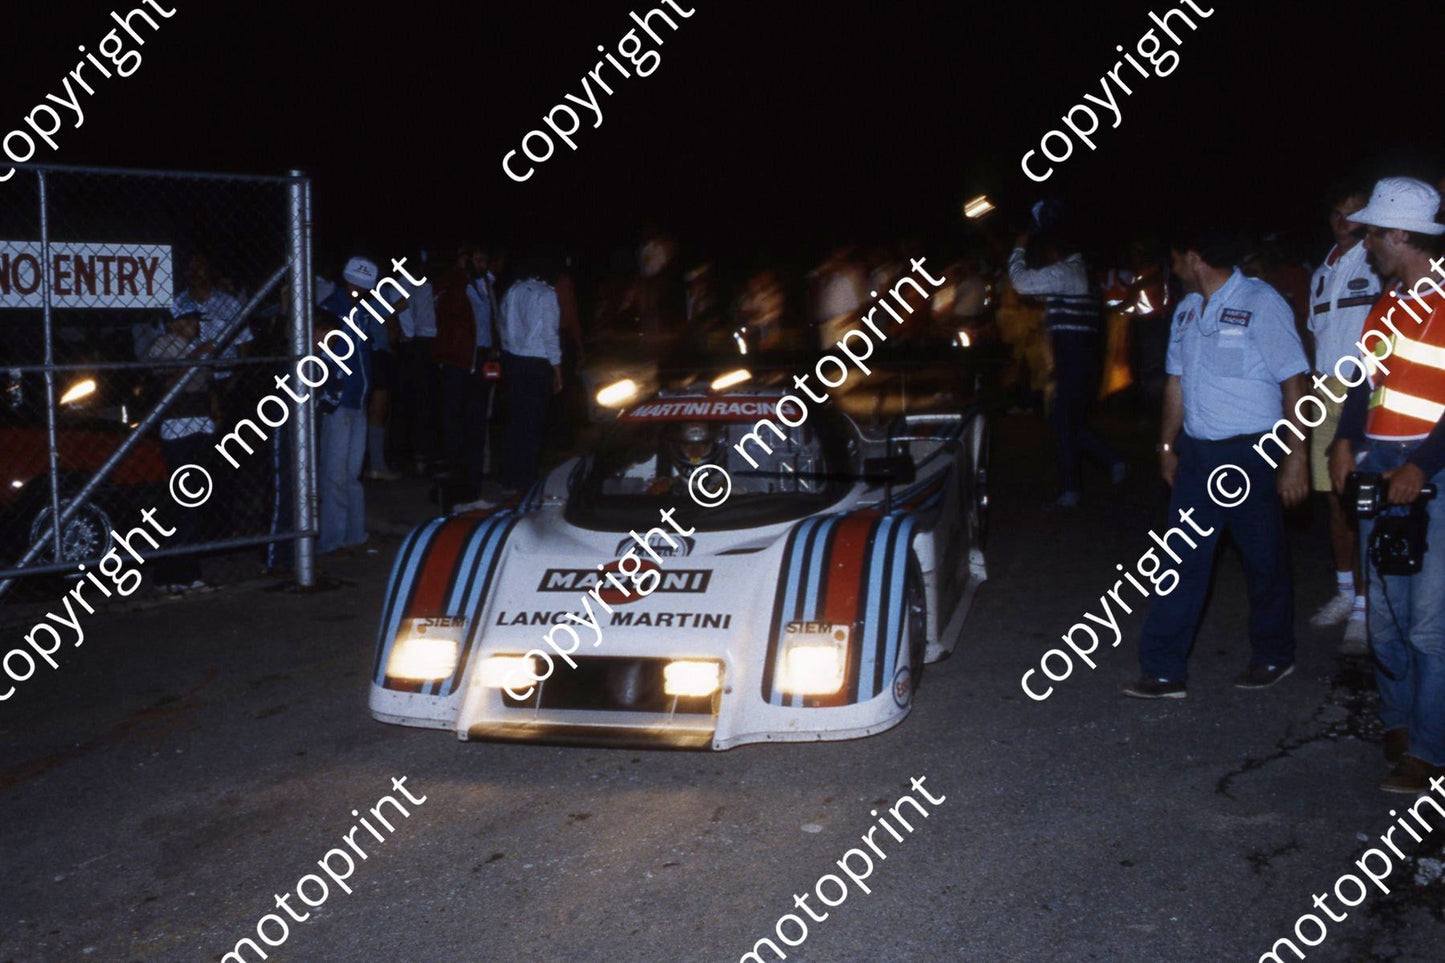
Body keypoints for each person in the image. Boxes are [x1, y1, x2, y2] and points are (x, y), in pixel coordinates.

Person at [1125, 230, 1311, 699]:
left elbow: (1295, 383)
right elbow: (1176, 382)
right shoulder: (1187, 310)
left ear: (1194, 257)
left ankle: (1274, 654)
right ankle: (1164, 670)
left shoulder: (1261, 302)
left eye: (1175, 260)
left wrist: (1295, 457)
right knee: (1180, 562)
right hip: (1198, 454)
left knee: (1263, 558)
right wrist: (1167, 446)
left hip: (1252, 452)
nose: (1172, 269)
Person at [1328, 176, 1445, 793]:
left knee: (1429, 622)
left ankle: (1430, 749)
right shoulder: (1387, 303)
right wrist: (1346, 440)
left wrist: (1421, 465)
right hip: (1380, 466)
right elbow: (1361, 381)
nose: (1364, 241)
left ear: (1400, 234)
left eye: (1372, 231)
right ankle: (1400, 724)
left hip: (1433, 473)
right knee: (1387, 620)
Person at [1306, 182, 1380, 652]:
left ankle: (1366, 608)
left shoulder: (1376, 263)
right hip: (1323, 392)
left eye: (1352, 213)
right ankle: (1345, 591)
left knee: (1364, 499)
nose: (1342, 221)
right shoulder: (1320, 273)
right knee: (1333, 499)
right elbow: (1316, 336)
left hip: (1365, 393)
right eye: (1336, 212)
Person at [1008, 227, 1125, 507]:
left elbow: (1022, 283)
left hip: (1076, 357)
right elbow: (1037, 295)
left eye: (1045, 254)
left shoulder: (1068, 273)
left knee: (1063, 421)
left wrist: (1018, 248)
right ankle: (1106, 465)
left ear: (1055, 252)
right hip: (1078, 357)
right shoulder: (1074, 274)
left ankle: (1075, 485)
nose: (1044, 260)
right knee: (1068, 422)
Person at [145, 305, 215, 593]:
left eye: (197, 321)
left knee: (193, 500)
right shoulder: (164, 345)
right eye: (189, 321)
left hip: (198, 422)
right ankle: (180, 574)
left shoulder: (191, 345)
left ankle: (179, 572)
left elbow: (207, 384)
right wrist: (197, 356)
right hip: (178, 425)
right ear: (174, 324)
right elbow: (167, 378)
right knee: (183, 502)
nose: (196, 326)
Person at [315, 258, 375, 555]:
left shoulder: (360, 311)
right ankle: (333, 539)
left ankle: (354, 534)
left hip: (358, 400)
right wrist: (331, 394)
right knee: (335, 475)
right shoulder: (331, 309)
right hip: (340, 401)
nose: (360, 292)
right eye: (356, 286)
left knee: (350, 475)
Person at [432, 244, 497, 496]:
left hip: (481, 359)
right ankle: (453, 475)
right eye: (476, 259)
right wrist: (460, 272)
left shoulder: (486, 285)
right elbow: (444, 305)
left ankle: (473, 477)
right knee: (454, 420)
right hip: (457, 360)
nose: (481, 264)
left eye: (484, 260)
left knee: (477, 421)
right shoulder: (453, 285)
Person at [498, 257, 562, 494]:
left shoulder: (513, 290)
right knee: (533, 423)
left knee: (516, 420)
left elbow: (503, 323)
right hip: (536, 363)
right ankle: (525, 479)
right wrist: (557, 368)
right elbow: (550, 334)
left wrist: (508, 352)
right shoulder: (546, 294)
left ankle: (510, 477)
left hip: (515, 360)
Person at [395, 253, 438, 475]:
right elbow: (401, 307)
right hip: (416, 343)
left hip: (426, 341)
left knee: (425, 398)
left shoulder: (424, 283)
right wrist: (409, 334)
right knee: (418, 398)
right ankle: (415, 452)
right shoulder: (406, 281)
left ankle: (422, 450)